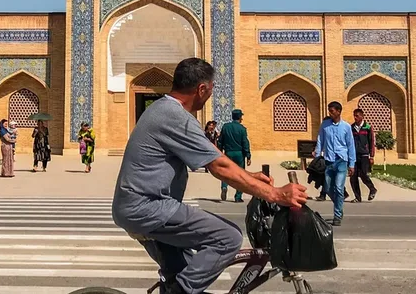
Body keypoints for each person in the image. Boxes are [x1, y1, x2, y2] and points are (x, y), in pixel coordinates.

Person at [112, 57, 309, 294]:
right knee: (228, 238)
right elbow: (219, 167)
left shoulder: (164, 109)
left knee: (181, 270)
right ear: (202, 88)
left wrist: (249, 176)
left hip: (136, 208)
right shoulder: (175, 116)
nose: (210, 95)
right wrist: (276, 194)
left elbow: (215, 155)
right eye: (211, 89)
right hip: (148, 208)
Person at [313, 101, 356, 226]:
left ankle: (337, 215)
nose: (330, 113)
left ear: (338, 111)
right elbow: (320, 140)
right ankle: (339, 203)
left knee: (338, 187)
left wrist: (351, 164)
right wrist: (317, 155)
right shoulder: (325, 125)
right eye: (329, 111)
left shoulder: (346, 127)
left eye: (332, 111)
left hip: (341, 160)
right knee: (327, 188)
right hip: (328, 160)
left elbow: (350, 145)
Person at [217, 109, 251, 202]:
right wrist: (248, 155)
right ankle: (238, 196)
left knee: (226, 172)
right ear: (240, 117)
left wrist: (219, 152)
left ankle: (224, 186)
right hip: (239, 154)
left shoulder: (225, 127)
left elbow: (220, 141)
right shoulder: (242, 129)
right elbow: (245, 143)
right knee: (240, 174)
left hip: (228, 153)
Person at [349, 108, 378, 203]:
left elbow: (371, 142)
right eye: (354, 115)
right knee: (353, 177)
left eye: (357, 116)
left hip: (364, 155)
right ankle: (357, 197)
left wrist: (372, 156)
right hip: (354, 155)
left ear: (362, 116)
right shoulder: (351, 127)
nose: (355, 117)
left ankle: (372, 189)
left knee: (363, 175)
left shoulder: (367, 127)